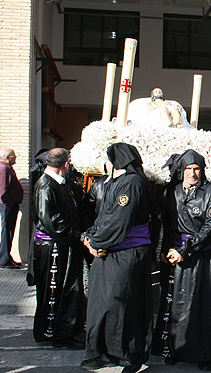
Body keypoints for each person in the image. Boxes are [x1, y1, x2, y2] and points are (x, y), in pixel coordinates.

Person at [82, 143, 158, 373]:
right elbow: (103, 216)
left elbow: (120, 221)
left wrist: (97, 242)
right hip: (110, 251)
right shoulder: (115, 182)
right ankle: (102, 350)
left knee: (122, 303)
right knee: (101, 303)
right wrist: (89, 236)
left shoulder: (132, 183)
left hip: (127, 253)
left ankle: (126, 354)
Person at [152, 149, 211, 370]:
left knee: (203, 305)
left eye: (196, 169)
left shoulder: (210, 192)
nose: (192, 173)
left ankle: (203, 354)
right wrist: (165, 249)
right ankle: (173, 348)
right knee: (175, 304)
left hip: (203, 256)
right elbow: (164, 223)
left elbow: (210, 226)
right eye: (188, 169)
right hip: (175, 254)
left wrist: (185, 250)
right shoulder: (171, 192)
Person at [31, 148, 85, 349]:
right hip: (53, 247)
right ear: (66, 164)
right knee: (54, 290)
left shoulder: (59, 183)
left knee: (63, 289)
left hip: (63, 245)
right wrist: (75, 235)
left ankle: (62, 329)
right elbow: (49, 220)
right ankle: (55, 332)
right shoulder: (46, 185)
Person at [0, 148, 24, 269]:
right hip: (7, 206)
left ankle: (7, 257)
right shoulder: (3, 169)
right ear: (7, 157)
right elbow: (1, 190)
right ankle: (4, 260)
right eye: (13, 155)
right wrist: (8, 203)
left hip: (10, 205)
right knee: (6, 231)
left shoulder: (8, 169)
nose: (15, 157)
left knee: (9, 231)